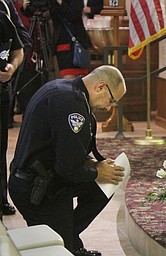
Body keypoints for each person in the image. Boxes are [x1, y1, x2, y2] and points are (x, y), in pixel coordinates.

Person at [9, 65, 126, 255]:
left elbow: (68, 153)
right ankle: (66, 241)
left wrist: (97, 166)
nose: (108, 107)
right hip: (37, 191)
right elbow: (68, 169)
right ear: (101, 87)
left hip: (44, 179)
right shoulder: (73, 105)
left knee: (105, 185)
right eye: (111, 100)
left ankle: (68, 237)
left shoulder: (64, 89)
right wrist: (97, 171)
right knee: (59, 250)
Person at [0, 0, 31, 216]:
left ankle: (1, 199)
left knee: (1, 147)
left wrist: (11, 68)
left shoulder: (5, 8)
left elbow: (20, 47)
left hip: (3, 92)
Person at [50, 0, 92, 78]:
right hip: (62, 42)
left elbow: (74, 15)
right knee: (67, 81)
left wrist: (61, 2)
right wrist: (26, 6)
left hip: (77, 41)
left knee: (79, 81)